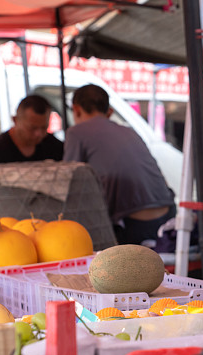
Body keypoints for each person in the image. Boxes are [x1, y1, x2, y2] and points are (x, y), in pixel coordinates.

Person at [63, 84, 175, 245]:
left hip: (131, 224)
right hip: (168, 215)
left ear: (76, 109)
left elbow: (69, 181)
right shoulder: (129, 131)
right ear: (109, 112)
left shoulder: (76, 132)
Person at [0, 95, 64, 164]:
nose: (38, 134)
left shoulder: (55, 147)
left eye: (44, 128)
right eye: (32, 128)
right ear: (15, 120)